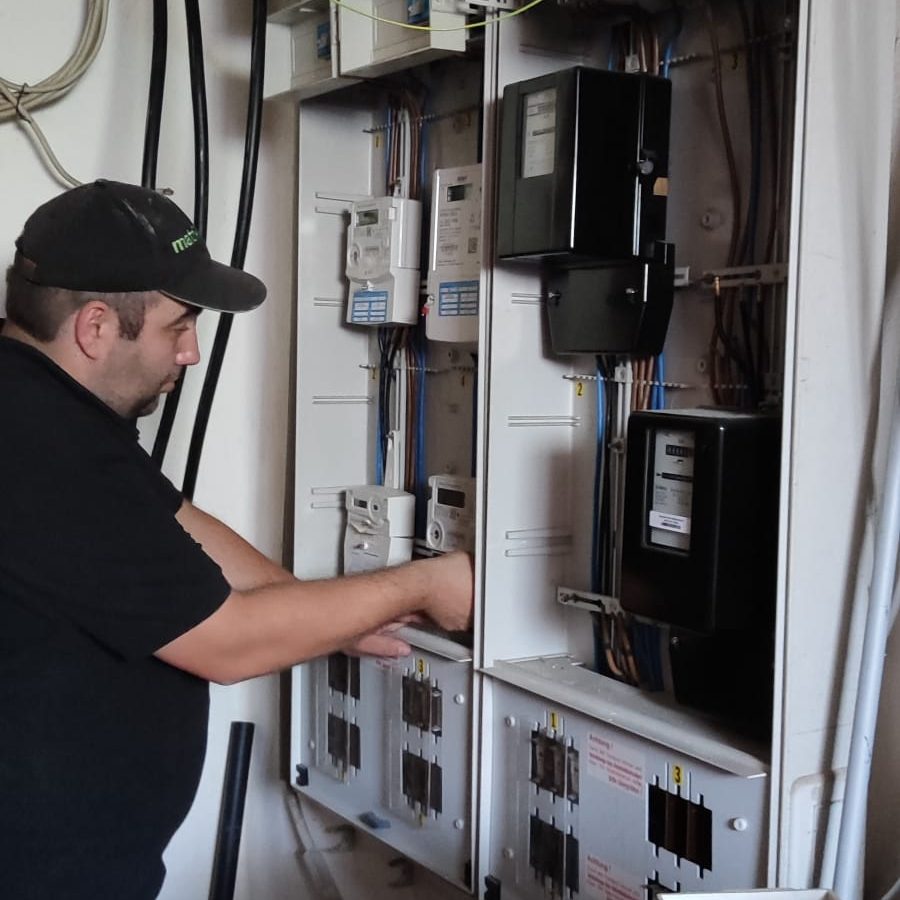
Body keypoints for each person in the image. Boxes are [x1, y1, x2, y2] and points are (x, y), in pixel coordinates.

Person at [0, 179, 474, 899]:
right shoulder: (39, 444)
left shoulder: (40, 401)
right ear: (95, 327)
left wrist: (329, 611)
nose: (191, 352)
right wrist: (427, 582)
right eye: (178, 326)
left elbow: (172, 517)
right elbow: (226, 645)